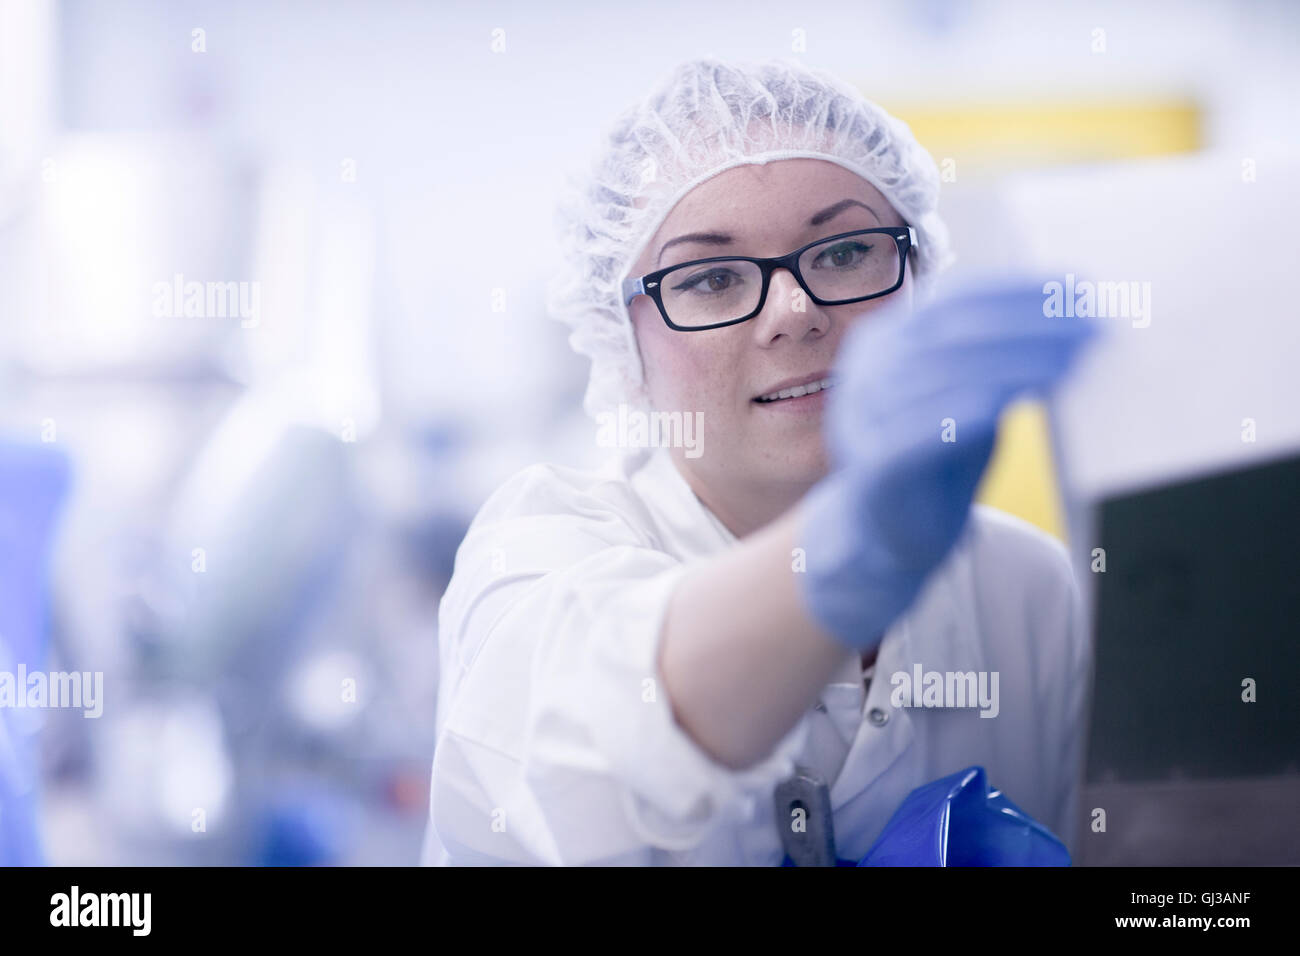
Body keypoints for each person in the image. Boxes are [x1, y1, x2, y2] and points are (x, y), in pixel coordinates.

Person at [420, 57, 1096, 865]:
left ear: (917, 272)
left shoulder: (1024, 586)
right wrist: (859, 550)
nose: (794, 312)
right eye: (711, 277)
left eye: (844, 253)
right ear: (622, 338)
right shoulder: (539, 553)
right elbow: (600, 739)